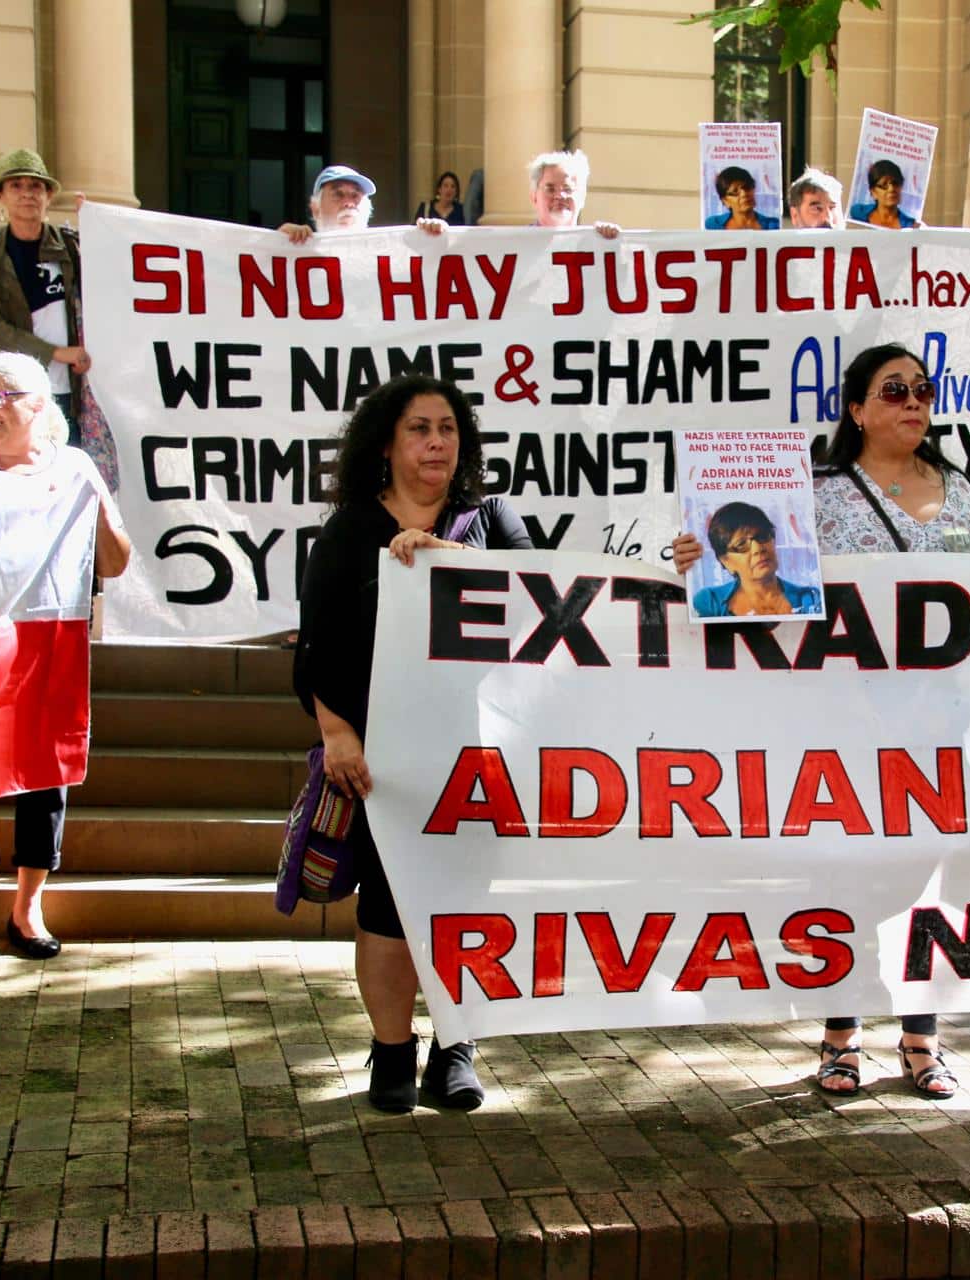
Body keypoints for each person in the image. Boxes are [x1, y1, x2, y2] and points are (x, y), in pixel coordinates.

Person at [672, 344, 970, 1099]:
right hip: (846, 722)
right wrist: (696, 563)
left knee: (933, 885)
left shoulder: (960, 489)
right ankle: (842, 1032)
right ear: (856, 409)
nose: (913, 402)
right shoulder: (817, 492)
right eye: (894, 390)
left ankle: (923, 1039)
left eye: (923, 390)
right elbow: (767, 595)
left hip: (949, 725)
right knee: (852, 878)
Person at [295, 375, 533, 1114]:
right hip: (381, 762)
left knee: (465, 907)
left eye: (448, 429)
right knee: (389, 908)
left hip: (478, 751)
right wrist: (336, 733)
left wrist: (446, 565)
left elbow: (535, 607)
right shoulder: (350, 528)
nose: (436, 442)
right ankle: (392, 1051)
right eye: (419, 429)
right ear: (388, 445)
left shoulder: (493, 517)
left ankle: (454, 1048)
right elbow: (318, 645)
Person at [0, 351, 133, 965]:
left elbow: (115, 564)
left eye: (5, 395)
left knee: (46, 772)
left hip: (48, 638)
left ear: (40, 405)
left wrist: (94, 500)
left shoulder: (73, 466)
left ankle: (27, 906)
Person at [0, 149, 87, 423]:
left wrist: (96, 226)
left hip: (71, 390)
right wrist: (55, 353)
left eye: (35, 186)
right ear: (0, 195)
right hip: (11, 393)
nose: (27, 193)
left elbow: (111, 289)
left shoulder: (70, 246)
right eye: (16, 185)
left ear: (48, 195)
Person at [419, 150, 619, 238]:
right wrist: (439, 242)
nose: (560, 196)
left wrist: (615, 249)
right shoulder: (512, 249)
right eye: (550, 188)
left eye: (567, 189)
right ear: (534, 196)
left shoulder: (600, 249)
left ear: (582, 197)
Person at [689, 501, 819, 618]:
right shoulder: (710, 602)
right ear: (725, 561)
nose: (758, 548)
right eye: (741, 544)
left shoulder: (811, 599)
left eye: (763, 536)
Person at [280, 164, 376, 243]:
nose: (349, 203)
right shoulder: (300, 249)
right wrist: (279, 242)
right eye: (338, 194)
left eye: (355, 195)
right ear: (316, 210)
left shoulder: (384, 250)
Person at [847, 159, 918, 229]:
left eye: (895, 183)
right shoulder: (857, 212)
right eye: (884, 184)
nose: (891, 189)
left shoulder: (911, 226)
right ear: (873, 192)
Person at [704, 166, 778, 231]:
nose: (744, 194)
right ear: (725, 201)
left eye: (747, 187)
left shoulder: (773, 225)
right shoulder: (713, 225)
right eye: (735, 191)